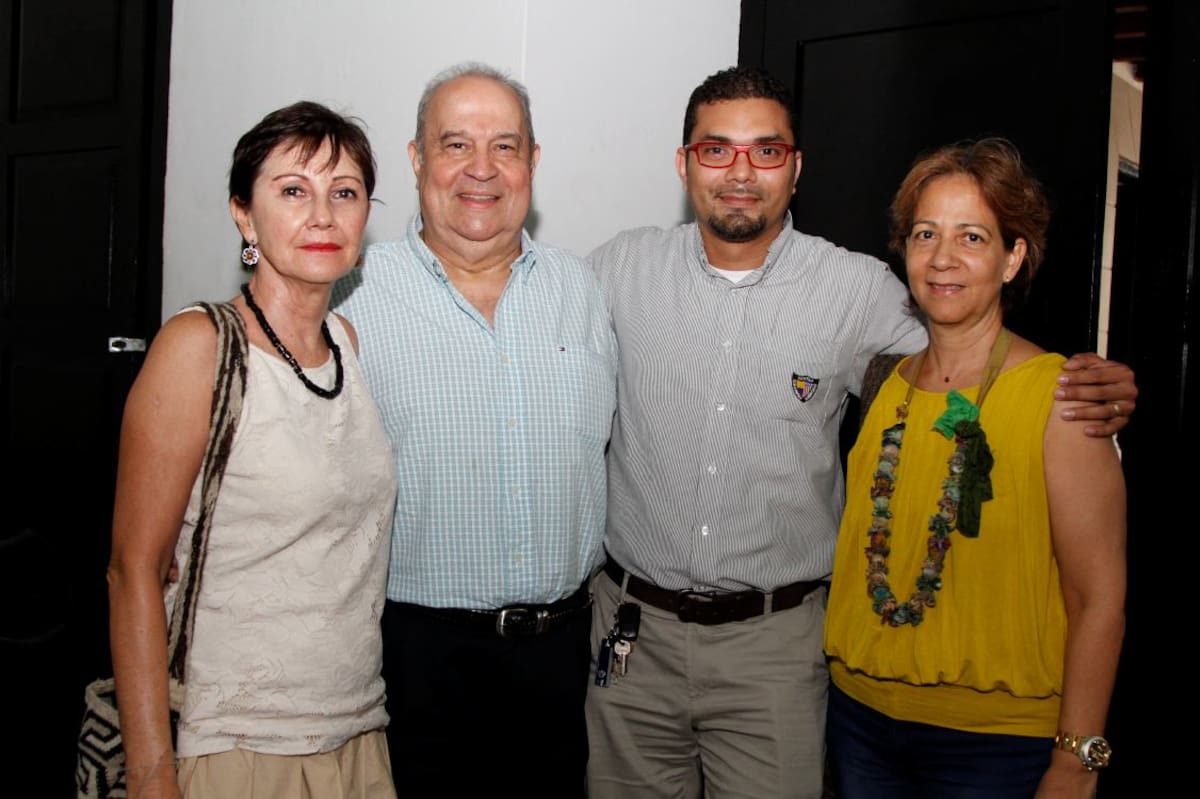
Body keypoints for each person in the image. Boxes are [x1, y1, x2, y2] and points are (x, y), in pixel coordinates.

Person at [584, 66, 1136, 799]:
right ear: (685, 164)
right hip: (630, 635)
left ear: (797, 167)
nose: (741, 172)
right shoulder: (616, 270)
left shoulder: (859, 290)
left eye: (767, 151)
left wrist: (1090, 389)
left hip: (776, 647)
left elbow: (972, 352)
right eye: (716, 150)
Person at [332, 63, 617, 798]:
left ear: (533, 161)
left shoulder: (582, 290)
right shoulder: (349, 294)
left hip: (563, 660)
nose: (481, 170)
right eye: (455, 145)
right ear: (416, 158)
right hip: (414, 657)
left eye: (506, 146)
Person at [107, 102, 398, 798]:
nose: (323, 213)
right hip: (235, 746)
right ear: (244, 215)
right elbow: (132, 571)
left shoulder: (348, 349)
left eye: (345, 191)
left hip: (357, 731)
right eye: (293, 190)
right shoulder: (199, 346)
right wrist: (153, 776)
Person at [823, 138, 1125, 798]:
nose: (944, 258)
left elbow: (1097, 597)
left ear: (1014, 257)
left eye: (973, 236)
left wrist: (1077, 759)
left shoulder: (1062, 397)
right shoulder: (884, 384)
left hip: (995, 746)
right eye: (926, 233)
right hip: (859, 725)